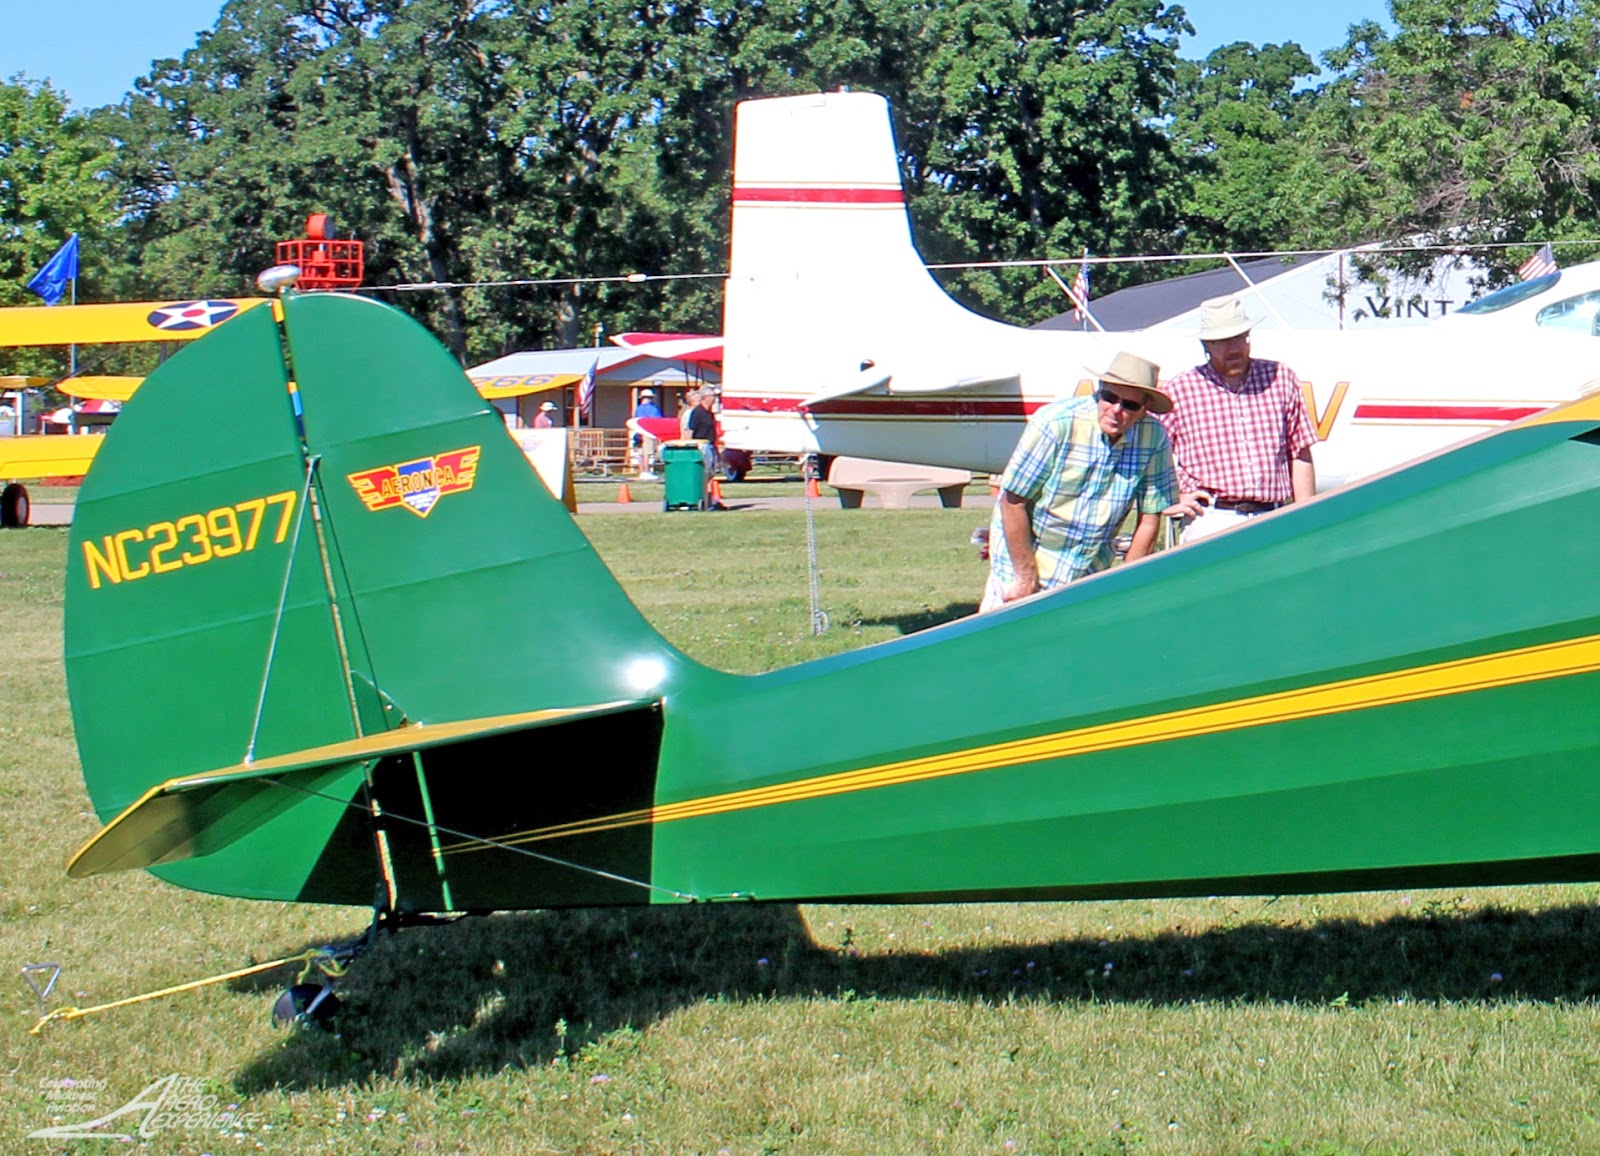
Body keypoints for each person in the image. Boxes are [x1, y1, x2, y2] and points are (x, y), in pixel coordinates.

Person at [981, 352, 1192, 612]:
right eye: (1109, 398)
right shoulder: (1056, 423)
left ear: (1144, 408)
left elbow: (1150, 516)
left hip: (1089, 570)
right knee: (1005, 637)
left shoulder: (1154, 436)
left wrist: (1127, 584)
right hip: (1025, 561)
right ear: (1099, 390)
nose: (1116, 410)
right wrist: (1025, 578)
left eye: (1129, 405)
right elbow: (1012, 501)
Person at [1159, 295, 1317, 543]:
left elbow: (1300, 451)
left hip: (1273, 514)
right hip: (1211, 517)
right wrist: (1172, 497)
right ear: (1206, 345)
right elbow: (1152, 452)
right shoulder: (1180, 389)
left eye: (1238, 338)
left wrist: (1306, 515)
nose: (1232, 349)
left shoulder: (1280, 377)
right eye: (1221, 342)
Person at [683, 388, 724, 508]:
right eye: (712, 396)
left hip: (711, 445)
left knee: (711, 473)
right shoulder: (698, 412)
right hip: (702, 446)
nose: (714, 399)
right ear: (706, 397)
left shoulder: (709, 413)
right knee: (704, 473)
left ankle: (710, 499)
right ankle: (703, 499)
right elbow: (689, 430)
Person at [633, 387, 663, 479]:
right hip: (648, 432)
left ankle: (642, 471)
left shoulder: (638, 409)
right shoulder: (652, 409)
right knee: (647, 452)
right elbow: (657, 421)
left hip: (638, 431)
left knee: (640, 453)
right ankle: (646, 471)